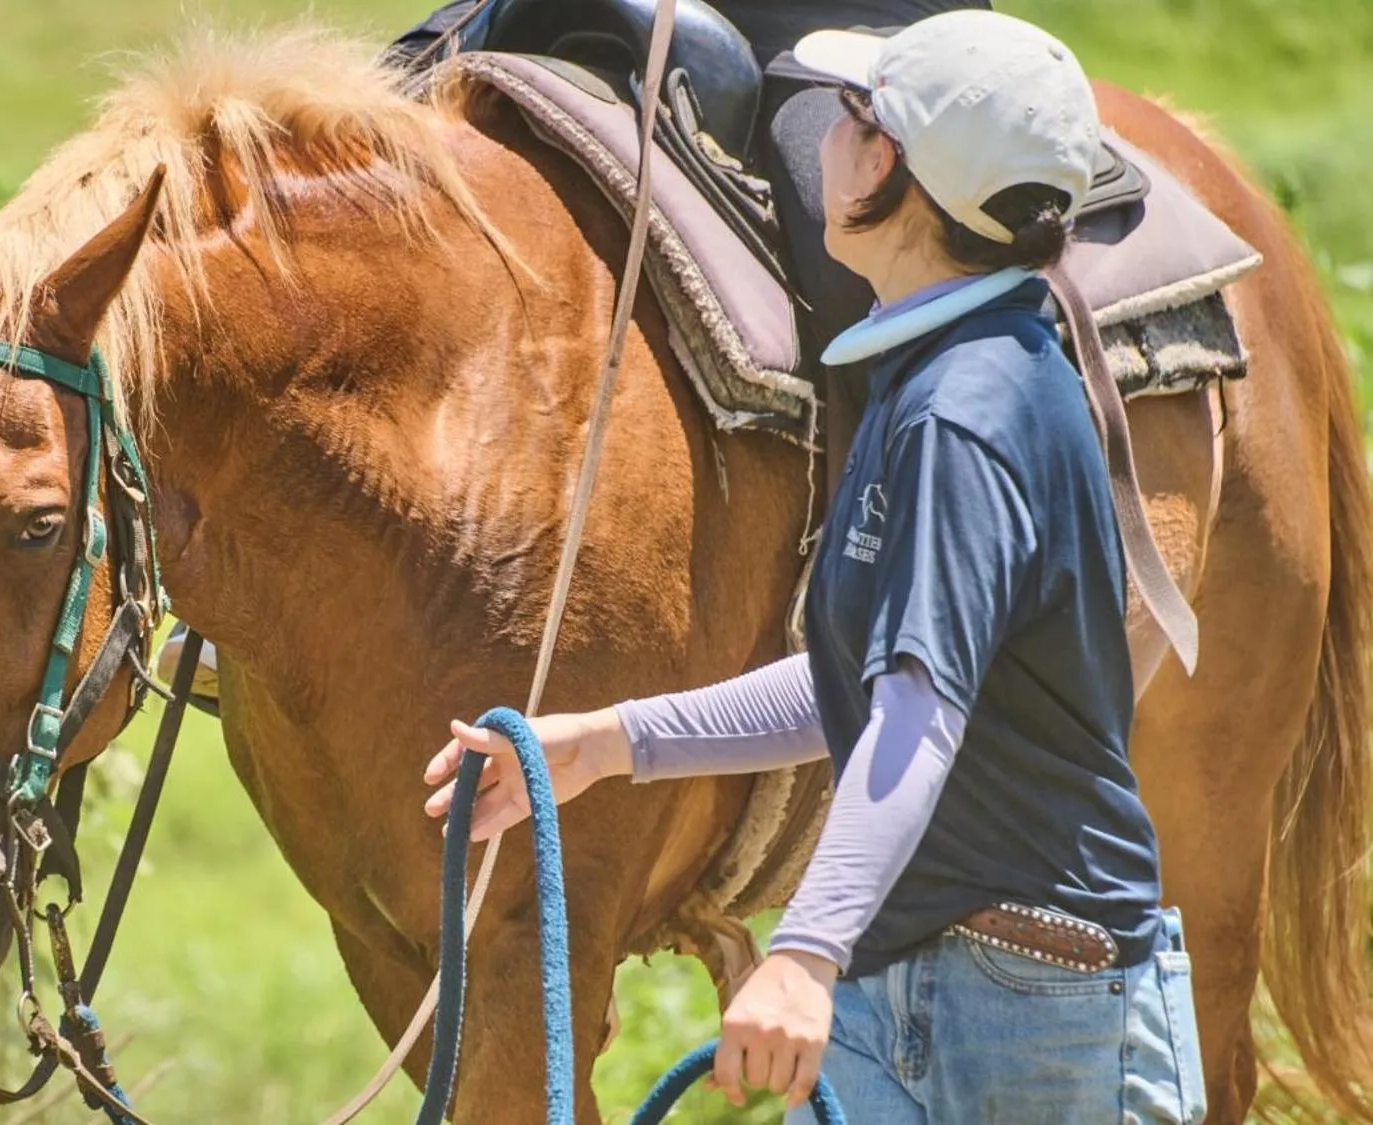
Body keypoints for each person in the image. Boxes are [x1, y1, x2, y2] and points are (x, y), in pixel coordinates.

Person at [423, 12, 1206, 1122]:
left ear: (886, 164)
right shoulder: (945, 368)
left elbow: (913, 715)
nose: (827, 140)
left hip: (1027, 1012)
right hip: (926, 977)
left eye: (849, 118)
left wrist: (802, 954)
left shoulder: (961, 415)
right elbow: (863, 677)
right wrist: (604, 744)